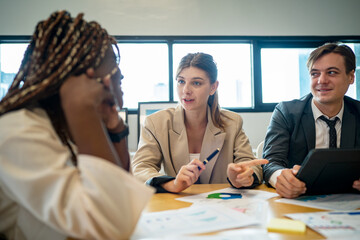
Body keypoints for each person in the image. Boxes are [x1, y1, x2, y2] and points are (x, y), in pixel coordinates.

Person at [0, 11, 154, 240]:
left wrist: (114, 128)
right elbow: (110, 226)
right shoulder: (19, 130)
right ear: (89, 77)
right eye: (115, 75)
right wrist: (82, 107)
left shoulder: (61, 125)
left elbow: (121, 196)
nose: (119, 85)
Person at [132, 52, 268, 193]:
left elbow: (250, 164)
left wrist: (242, 176)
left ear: (213, 87)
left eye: (196, 83)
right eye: (181, 81)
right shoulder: (155, 123)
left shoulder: (232, 123)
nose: (186, 90)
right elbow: (141, 167)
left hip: (222, 204)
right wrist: (171, 184)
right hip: (177, 204)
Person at [262, 42, 360, 199]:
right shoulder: (286, 112)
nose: (321, 80)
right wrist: (280, 177)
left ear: (351, 77)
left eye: (332, 72)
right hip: (299, 200)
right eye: (315, 74)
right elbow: (270, 163)